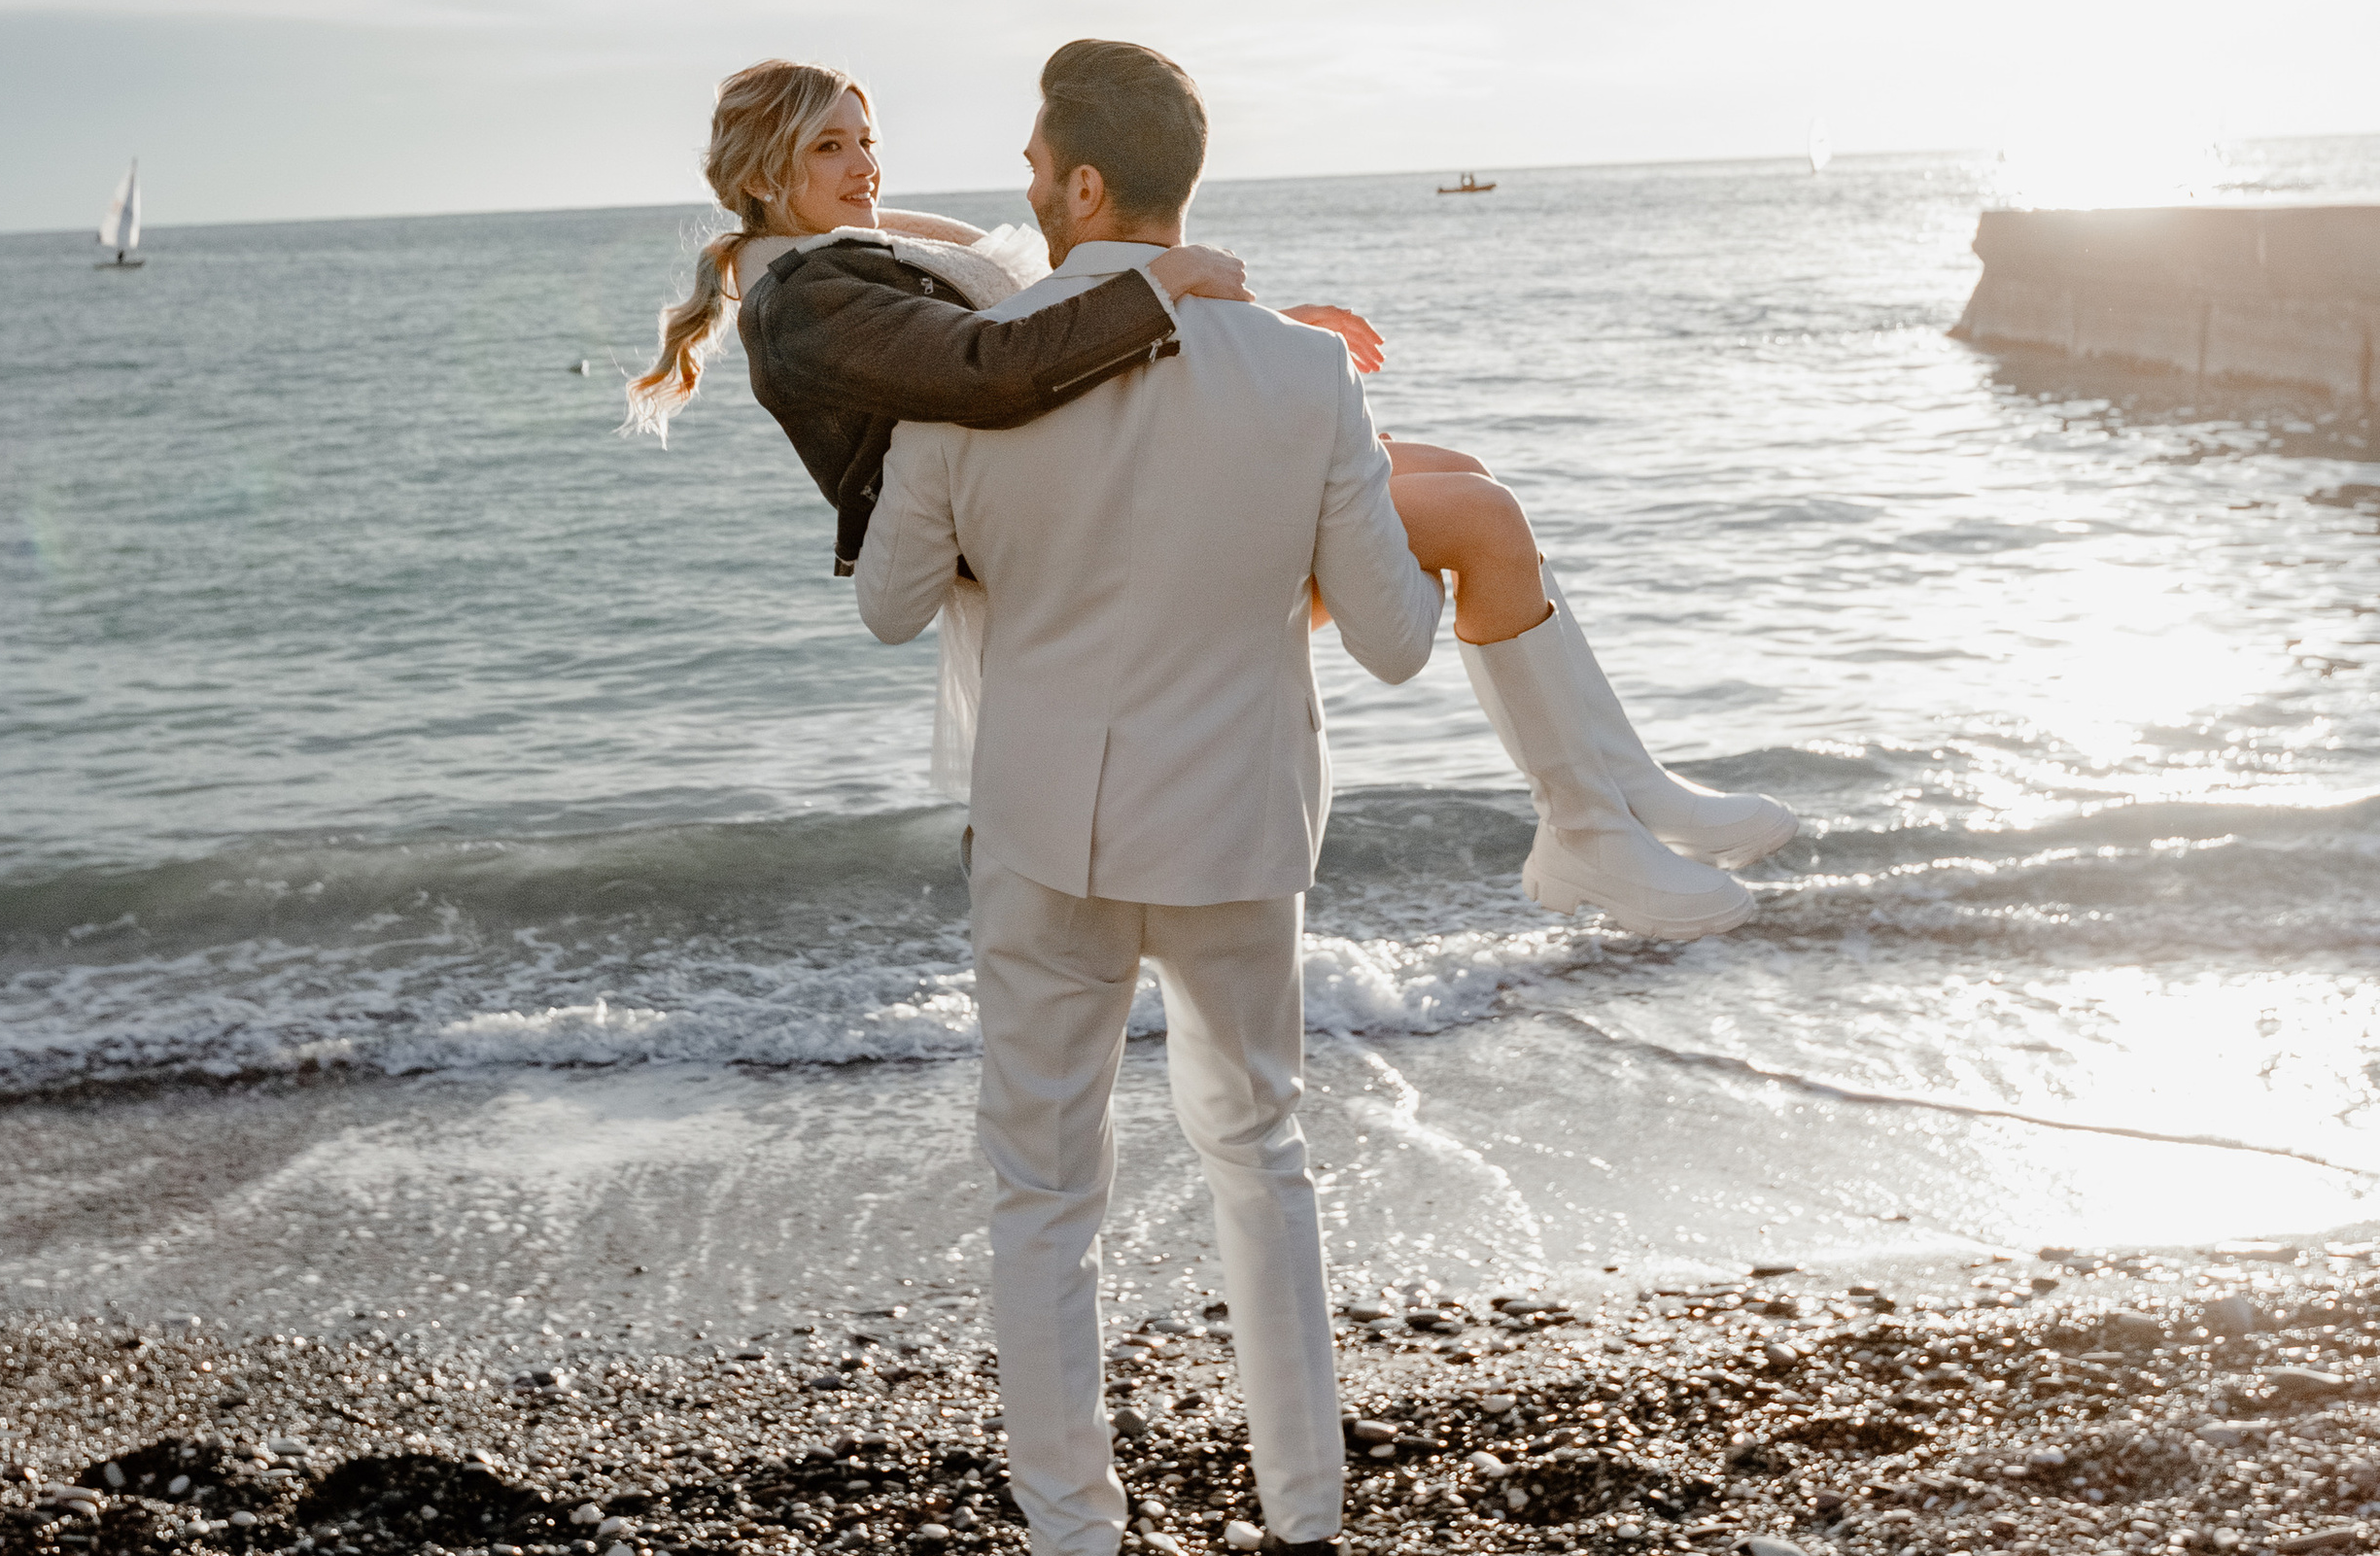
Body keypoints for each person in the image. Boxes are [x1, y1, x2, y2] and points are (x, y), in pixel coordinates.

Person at [631, 55, 1793, 933]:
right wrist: (1180, 288)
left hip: (1093, 455)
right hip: (1049, 518)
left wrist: (1261, 332)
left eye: (866, 139)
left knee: (1468, 479)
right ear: (764, 172)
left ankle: (1614, 790)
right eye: (831, 148)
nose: (865, 167)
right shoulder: (805, 298)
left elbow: (1056, 300)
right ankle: (1588, 821)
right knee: (1476, 520)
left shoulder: (859, 250)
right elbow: (991, 365)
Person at [856, 36, 1442, 1556]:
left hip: (1047, 832)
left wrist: (1009, 561)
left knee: (1047, 1197)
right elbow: (1398, 639)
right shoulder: (1304, 375)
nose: (1026, 189)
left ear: (1086, 183)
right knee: (1262, 1157)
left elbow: (890, 605)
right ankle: (1307, 1539)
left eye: (1038, 166)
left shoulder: (974, 371)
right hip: (1238, 829)